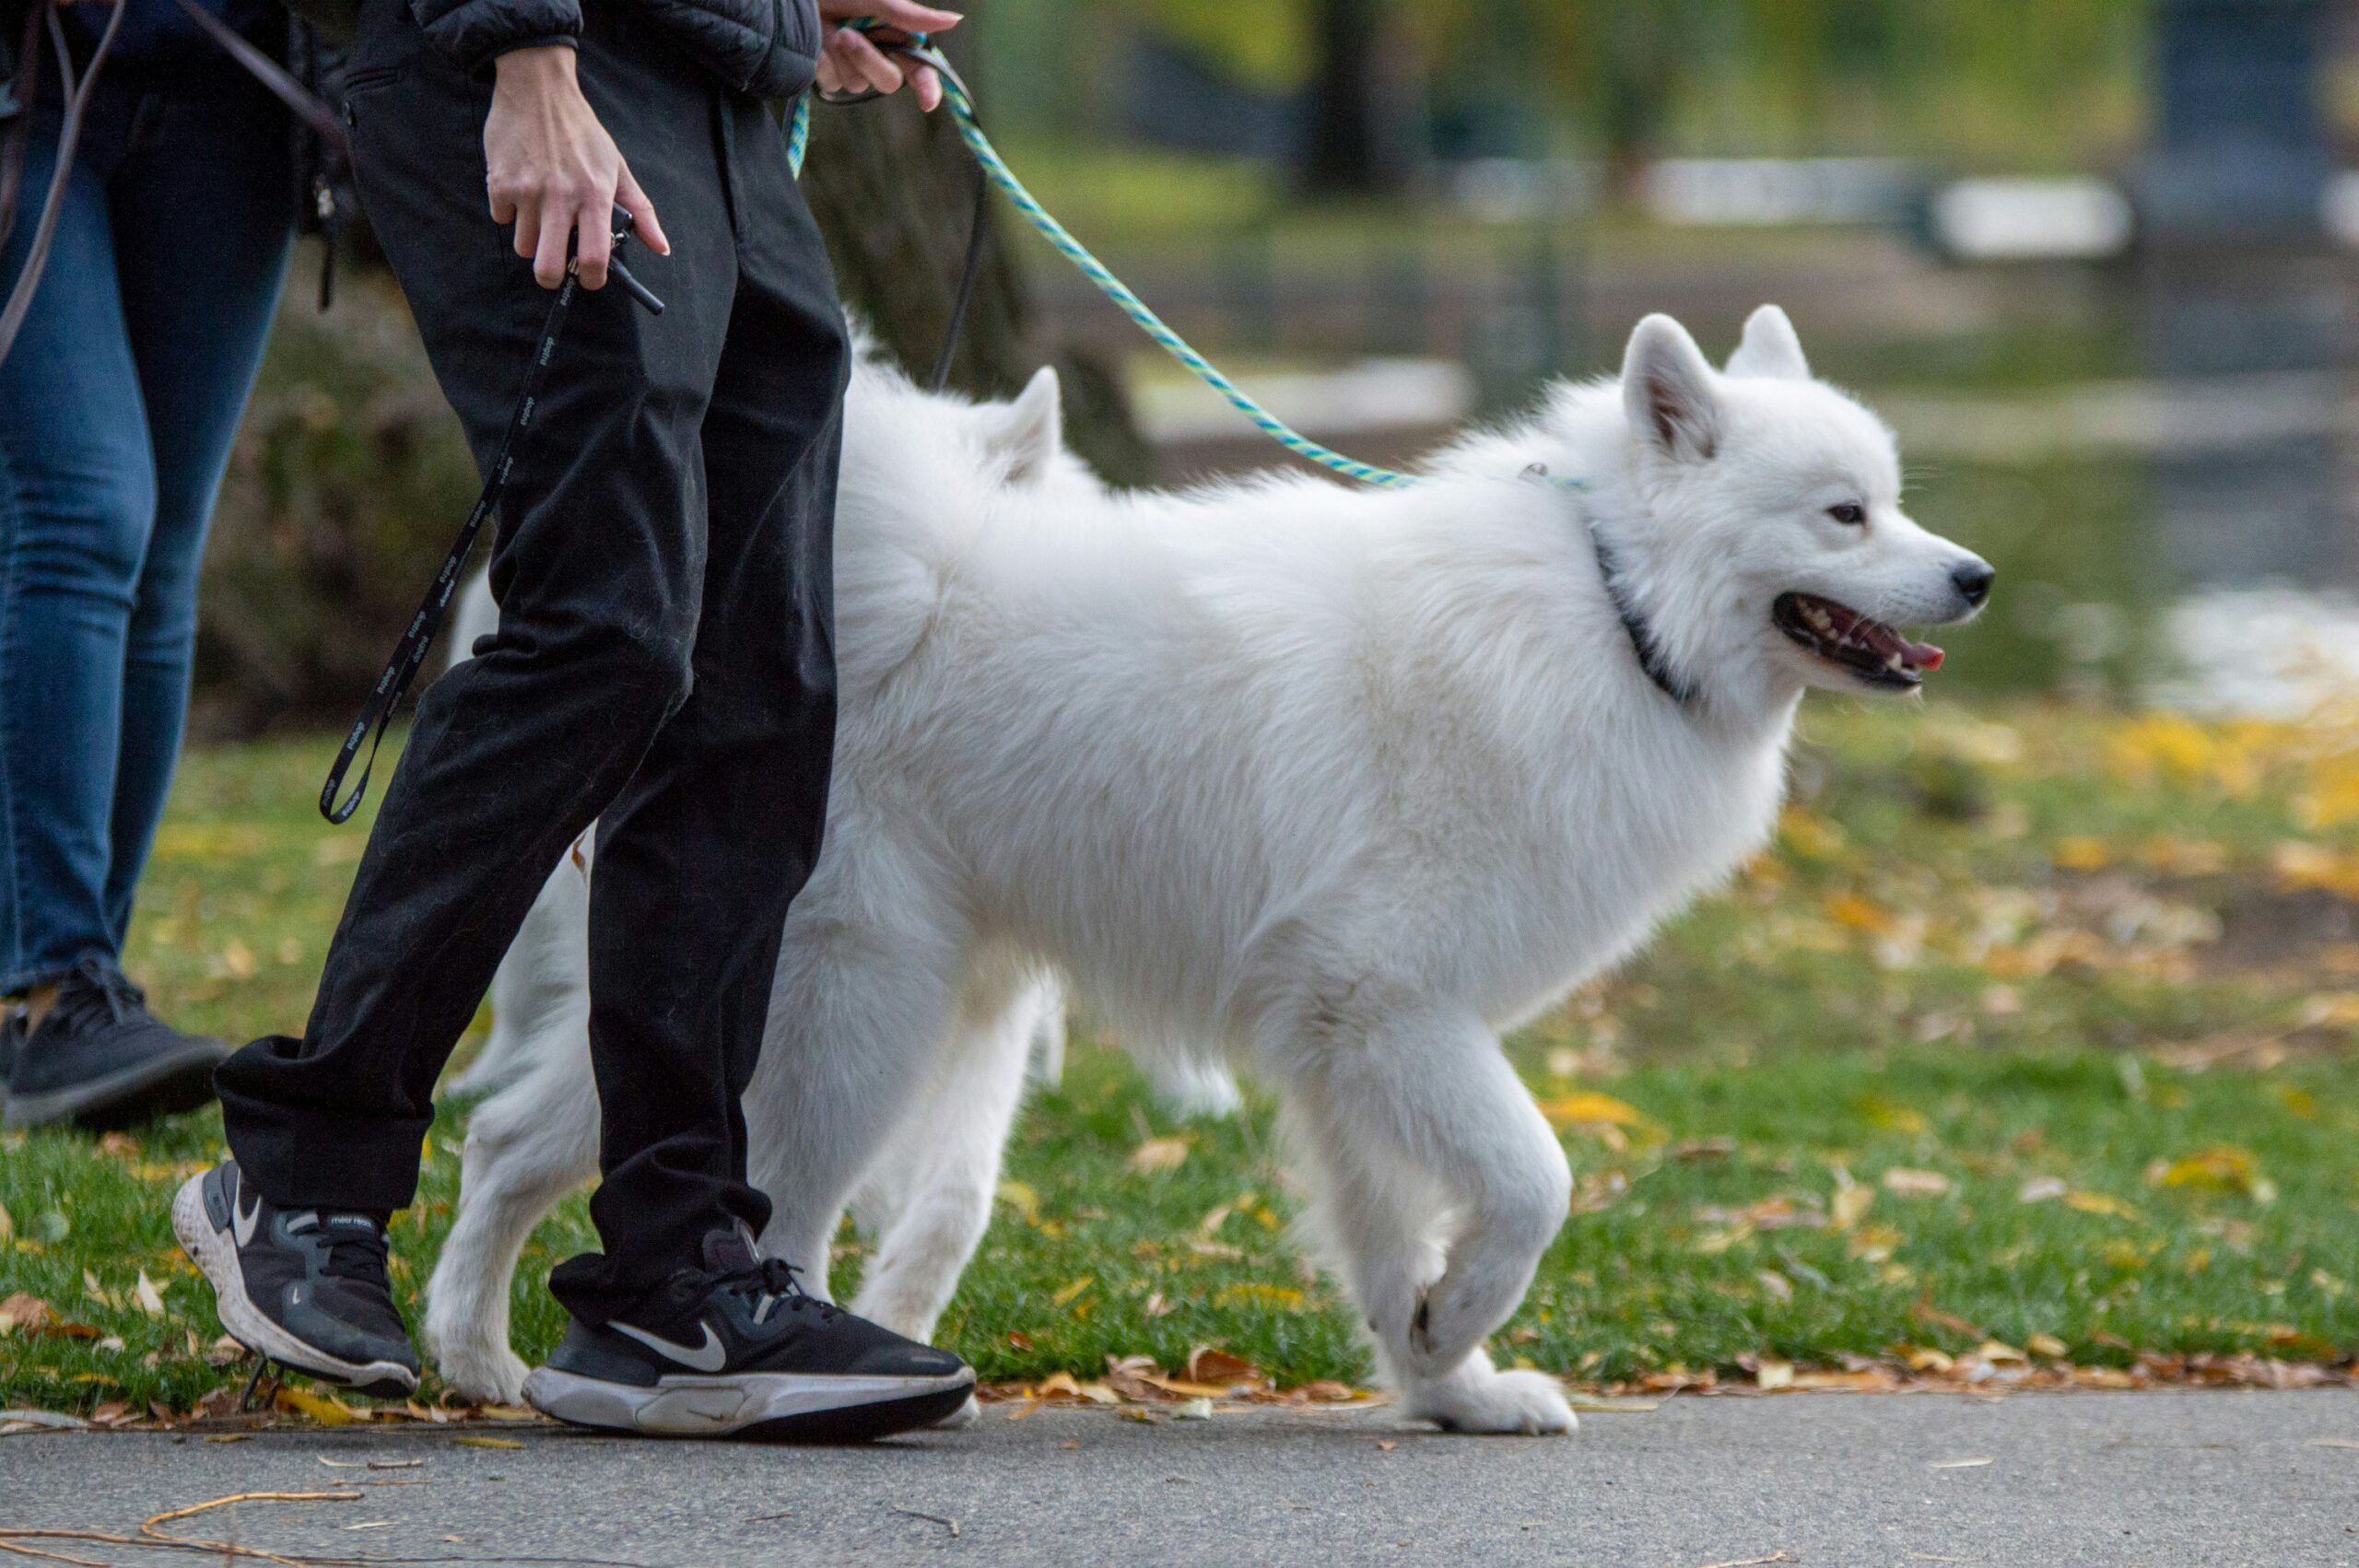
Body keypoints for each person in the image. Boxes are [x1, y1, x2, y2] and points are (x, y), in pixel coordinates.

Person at [174, 0, 980, 1440]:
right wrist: (526, 50)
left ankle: (674, 1277)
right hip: (531, 54)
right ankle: (304, 1171)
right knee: (604, 630)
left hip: (710, 79)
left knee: (761, 687)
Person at [0, 0, 298, 1129]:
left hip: (239, 85)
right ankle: (52, 986)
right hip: (28, 79)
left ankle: (78, 996)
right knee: (84, 509)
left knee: (164, 543)